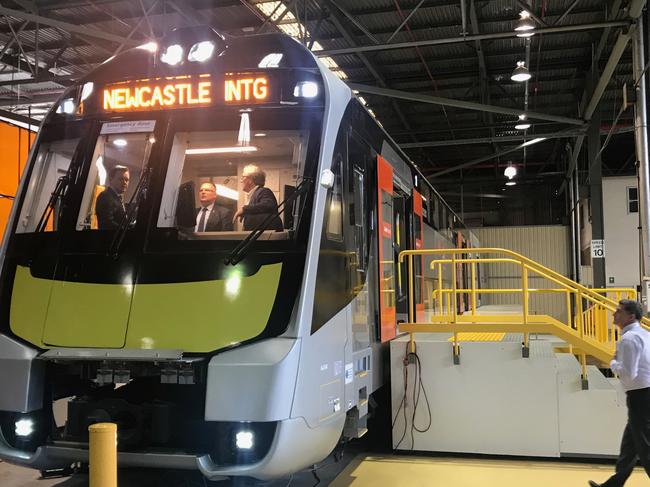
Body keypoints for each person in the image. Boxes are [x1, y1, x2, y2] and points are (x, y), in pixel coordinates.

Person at [589, 300, 650, 487]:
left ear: (631, 316)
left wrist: (613, 363)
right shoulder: (644, 335)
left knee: (645, 446)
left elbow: (629, 375)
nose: (614, 314)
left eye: (619, 311)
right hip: (644, 395)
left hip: (640, 396)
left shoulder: (629, 339)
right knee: (629, 445)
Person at [233, 164, 283, 231]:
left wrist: (244, 209)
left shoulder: (263, 191)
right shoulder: (253, 195)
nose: (240, 180)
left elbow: (268, 205)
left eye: (243, 177)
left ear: (250, 179)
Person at [96, 165, 129, 230]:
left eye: (127, 180)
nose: (125, 182)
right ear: (111, 179)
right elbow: (107, 224)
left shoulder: (117, 197)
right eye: (121, 179)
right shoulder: (105, 196)